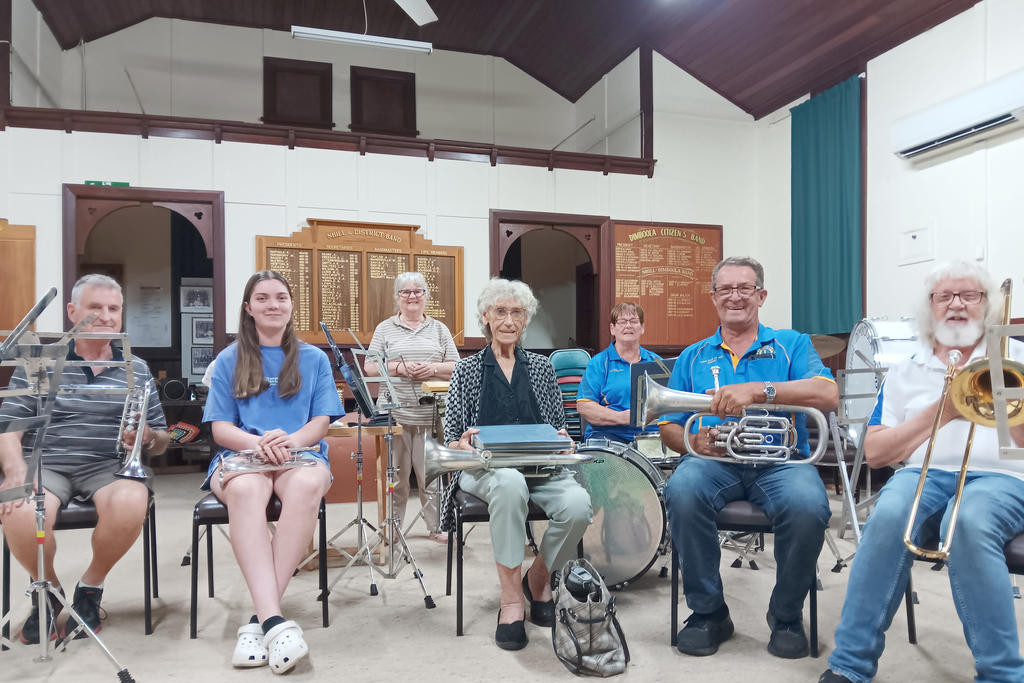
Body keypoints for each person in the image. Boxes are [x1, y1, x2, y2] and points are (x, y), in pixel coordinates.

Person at [820, 261, 1024, 683]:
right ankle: (850, 665)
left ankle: (1002, 674)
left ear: (987, 306)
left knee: (967, 520)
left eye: (969, 295)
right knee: (889, 516)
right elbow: (875, 453)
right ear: (929, 307)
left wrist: (1011, 403)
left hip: (1005, 478)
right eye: (944, 297)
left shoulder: (1016, 357)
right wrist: (943, 411)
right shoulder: (905, 367)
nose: (956, 305)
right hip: (924, 474)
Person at [660, 256, 837, 659]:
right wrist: (694, 441)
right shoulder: (693, 355)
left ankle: (787, 615)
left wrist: (761, 390)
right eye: (726, 289)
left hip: (782, 462)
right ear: (713, 297)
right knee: (682, 490)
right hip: (713, 462)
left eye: (745, 288)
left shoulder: (792, 344)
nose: (735, 296)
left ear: (762, 295)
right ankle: (709, 613)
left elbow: (827, 395)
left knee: (810, 506)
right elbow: (669, 426)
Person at [0, 274, 168, 643]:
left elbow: (161, 438)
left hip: (106, 466)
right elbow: (9, 426)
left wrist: (147, 436)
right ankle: (50, 593)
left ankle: (90, 588)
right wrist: (14, 470)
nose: (106, 316)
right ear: (73, 311)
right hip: (46, 462)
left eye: (114, 309)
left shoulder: (136, 368)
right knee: (21, 509)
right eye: (95, 308)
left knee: (131, 503)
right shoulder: (39, 361)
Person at [203, 270, 343, 674]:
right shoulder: (229, 359)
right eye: (262, 298)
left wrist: (290, 442)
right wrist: (259, 444)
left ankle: (259, 620)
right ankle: (274, 621)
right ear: (248, 308)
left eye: (281, 297)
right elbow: (220, 429)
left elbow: (321, 423)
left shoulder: (313, 358)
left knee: (304, 486)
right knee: (247, 492)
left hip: (300, 452)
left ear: (291, 305)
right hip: (243, 455)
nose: (272, 305)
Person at [441, 278, 592, 651]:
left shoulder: (541, 368)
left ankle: (538, 580)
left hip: (540, 469)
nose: (508, 320)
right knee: (509, 485)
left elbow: (560, 427)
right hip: (486, 472)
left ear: (525, 320)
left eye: (517, 312)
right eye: (500, 311)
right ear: (486, 317)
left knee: (578, 506)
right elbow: (451, 438)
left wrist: (564, 440)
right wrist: (461, 442)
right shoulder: (467, 370)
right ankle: (511, 601)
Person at [364, 272, 459, 543]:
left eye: (418, 291)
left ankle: (436, 527)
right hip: (394, 414)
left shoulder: (439, 329)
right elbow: (370, 366)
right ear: (397, 298)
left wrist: (434, 368)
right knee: (397, 476)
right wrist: (399, 368)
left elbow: (456, 367)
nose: (412, 296)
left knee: (430, 474)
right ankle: (392, 527)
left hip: (429, 414)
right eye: (406, 292)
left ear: (426, 296)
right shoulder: (385, 328)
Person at [576, 302, 663, 444]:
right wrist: (622, 418)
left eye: (634, 321)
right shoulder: (598, 363)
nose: (628, 326)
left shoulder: (657, 363)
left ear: (642, 328)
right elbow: (585, 406)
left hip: (650, 438)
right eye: (622, 322)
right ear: (612, 329)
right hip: (607, 438)